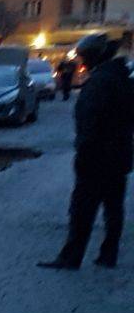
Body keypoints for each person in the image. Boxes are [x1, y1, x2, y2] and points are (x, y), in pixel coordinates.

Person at [39, 32, 134, 271]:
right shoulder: (122, 78)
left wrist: (84, 153)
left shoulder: (101, 81)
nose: (81, 62)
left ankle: (72, 257)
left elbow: (90, 123)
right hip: (119, 155)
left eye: (84, 57)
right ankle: (108, 254)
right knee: (114, 207)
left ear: (94, 57)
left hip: (96, 158)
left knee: (82, 209)